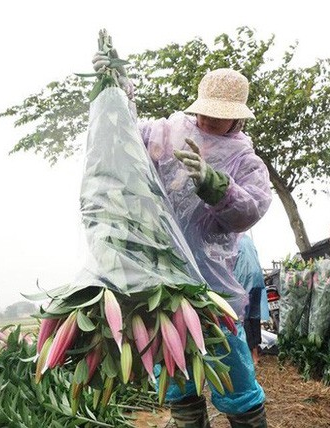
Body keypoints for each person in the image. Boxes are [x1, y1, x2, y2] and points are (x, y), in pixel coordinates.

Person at [93, 54, 273, 427]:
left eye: (218, 115)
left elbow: (251, 208)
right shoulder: (166, 132)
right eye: (204, 111)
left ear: (238, 117)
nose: (206, 120)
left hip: (211, 283)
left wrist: (215, 186)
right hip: (162, 277)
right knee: (177, 378)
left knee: (233, 372)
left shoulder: (246, 160)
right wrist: (114, 88)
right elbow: (123, 133)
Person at [233, 234, 266, 366]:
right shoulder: (247, 239)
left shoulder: (232, 240)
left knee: (244, 317)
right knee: (254, 315)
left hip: (244, 279)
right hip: (257, 279)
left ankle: (252, 356)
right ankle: (256, 350)